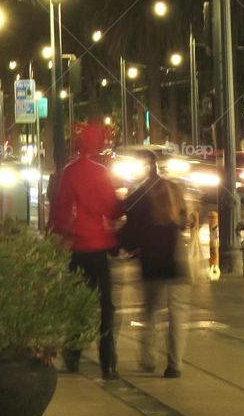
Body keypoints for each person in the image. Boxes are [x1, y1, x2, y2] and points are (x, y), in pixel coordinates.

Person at [48, 119, 121, 379]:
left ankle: (74, 353)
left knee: (78, 302)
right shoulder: (101, 172)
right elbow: (112, 207)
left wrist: (57, 236)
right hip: (99, 246)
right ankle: (107, 360)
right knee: (106, 306)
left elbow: (60, 211)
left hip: (77, 247)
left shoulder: (69, 172)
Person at [120, 152, 190, 378]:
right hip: (176, 259)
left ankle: (148, 359)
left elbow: (128, 225)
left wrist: (120, 245)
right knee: (177, 314)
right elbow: (183, 221)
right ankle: (175, 364)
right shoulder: (172, 189)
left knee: (150, 312)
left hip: (151, 261)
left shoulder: (140, 195)